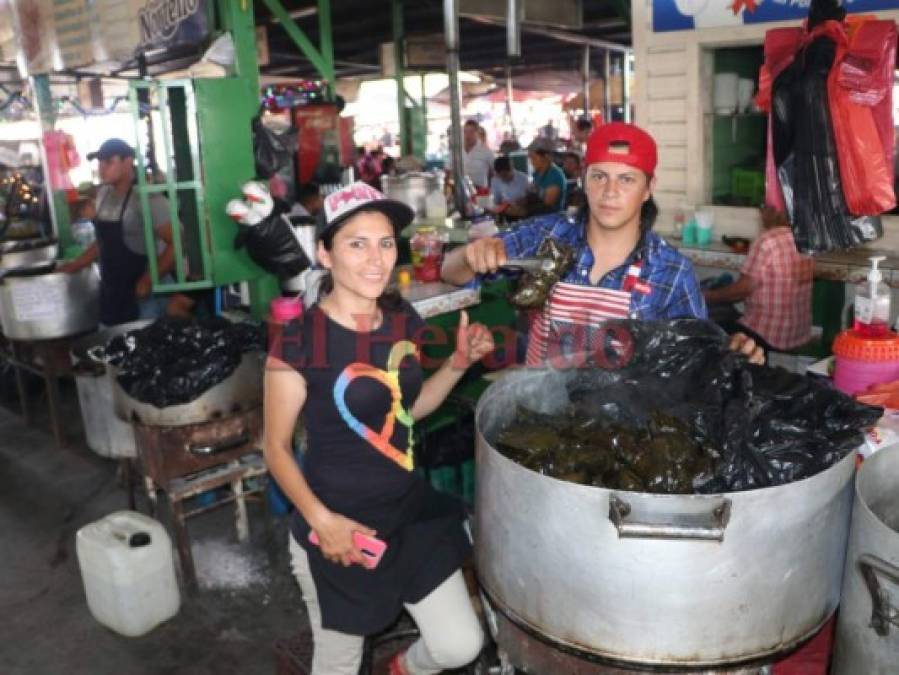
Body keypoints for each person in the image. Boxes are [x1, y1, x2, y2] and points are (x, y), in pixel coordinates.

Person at [264, 181, 491, 675]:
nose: (376, 259)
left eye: (386, 243)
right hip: (340, 528)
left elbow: (411, 410)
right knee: (339, 664)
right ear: (325, 253)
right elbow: (276, 448)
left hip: (407, 513)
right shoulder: (298, 341)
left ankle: (403, 668)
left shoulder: (400, 318)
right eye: (357, 243)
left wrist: (456, 364)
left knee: (459, 646)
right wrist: (323, 523)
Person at [441, 121, 763, 365]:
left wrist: (734, 353)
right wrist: (472, 256)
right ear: (584, 179)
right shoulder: (546, 236)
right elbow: (450, 272)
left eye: (626, 179)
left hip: (619, 432)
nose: (610, 191)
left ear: (649, 188)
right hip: (537, 415)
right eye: (599, 176)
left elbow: (697, 363)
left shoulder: (671, 272)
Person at [59, 138, 175, 326]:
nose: (102, 168)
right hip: (113, 291)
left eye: (108, 162)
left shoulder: (148, 199)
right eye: (100, 163)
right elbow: (103, 241)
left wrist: (148, 280)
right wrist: (76, 264)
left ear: (128, 161)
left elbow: (176, 243)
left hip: (144, 296)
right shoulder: (104, 195)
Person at [703, 206, 814, 355]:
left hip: (766, 334)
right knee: (728, 311)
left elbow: (742, 291)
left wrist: (708, 296)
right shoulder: (805, 238)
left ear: (774, 211)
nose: (761, 214)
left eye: (763, 208)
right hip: (798, 333)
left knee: (709, 326)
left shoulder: (767, 241)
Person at [447, 119, 494, 191]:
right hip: (459, 190)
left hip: (480, 190)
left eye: (471, 132)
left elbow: (495, 172)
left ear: (477, 133)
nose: (468, 135)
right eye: (465, 132)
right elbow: (449, 170)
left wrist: (490, 190)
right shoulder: (456, 151)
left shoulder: (486, 151)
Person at [527, 137, 567, 214]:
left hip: (552, 218)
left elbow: (548, 204)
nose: (532, 161)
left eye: (534, 158)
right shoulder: (537, 173)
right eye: (530, 158)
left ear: (546, 157)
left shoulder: (555, 175)